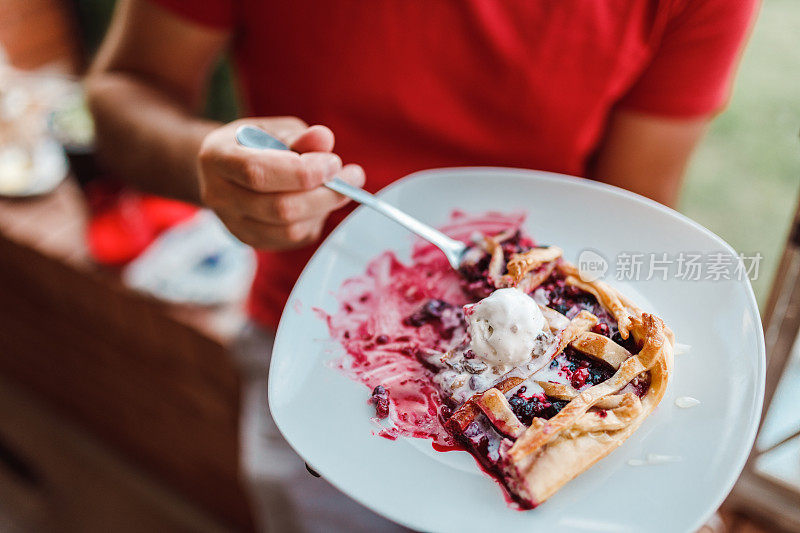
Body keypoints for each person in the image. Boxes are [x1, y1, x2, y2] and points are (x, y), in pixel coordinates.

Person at [86, 1, 758, 531]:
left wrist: (662, 481)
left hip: (555, 346)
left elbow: (632, 215)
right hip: (305, 352)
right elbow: (120, 93)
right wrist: (209, 160)